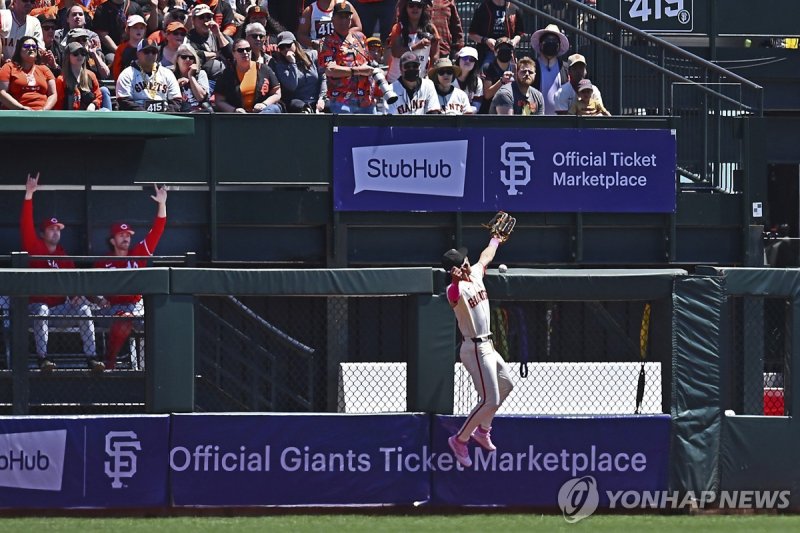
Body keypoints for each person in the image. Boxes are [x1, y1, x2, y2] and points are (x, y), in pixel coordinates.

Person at [441, 239, 514, 468]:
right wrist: (454, 279)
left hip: (488, 345)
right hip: (474, 349)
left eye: (465, 260)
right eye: (463, 262)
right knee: (489, 399)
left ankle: (483, 431)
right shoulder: (456, 288)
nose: (467, 263)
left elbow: (486, 257)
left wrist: (495, 240)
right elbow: (452, 296)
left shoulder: (474, 274)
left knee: (507, 385)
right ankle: (460, 439)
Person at [21, 172, 101, 373]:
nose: (56, 232)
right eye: (51, 229)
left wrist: (77, 297)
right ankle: (43, 359)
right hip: (34, 308)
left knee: (84, 310)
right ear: (43, 233)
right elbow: (25, 225)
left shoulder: (64, 256)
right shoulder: (35, 247)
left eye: (58, 229)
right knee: (42, 310)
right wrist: (29, 195)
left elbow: (73, 283)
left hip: (59, 309)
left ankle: (91, 358)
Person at [94, 185, 168, 370]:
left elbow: (157, 231)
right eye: (121, 235)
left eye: (128, 235)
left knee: (160, 320)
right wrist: (98, 298)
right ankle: (110, 361)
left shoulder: (138, 254)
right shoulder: (102, 262)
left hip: (136, 307)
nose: (126, 238)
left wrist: (162, 204)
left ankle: (160, 367)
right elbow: (90, 288)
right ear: (113, 240)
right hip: (110, 309)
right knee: (123, 318)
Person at [318, 1, 376, 114]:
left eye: (347, 17)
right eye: (340, 17)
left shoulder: (360, 38)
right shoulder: (326, 42)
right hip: (342, 100)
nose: (344, 21)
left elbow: (370, 62)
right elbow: (330, 70)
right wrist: (357, 71)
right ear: (333, 19)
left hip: (366, 99)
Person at [215, 37, 282, 112]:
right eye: (240, 50)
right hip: (239, 117)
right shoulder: (226, 74)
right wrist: (234, 110)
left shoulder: (264, 69)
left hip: (263, 112)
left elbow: (277, 93)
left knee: (273, 108)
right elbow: (219, 101)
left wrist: (264, 104)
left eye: (248, 49)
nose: (245, 52)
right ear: (234, 54)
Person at [116, 38, 182, 111]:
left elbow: (176, 100)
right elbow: (124, 101)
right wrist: (146, 115)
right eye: (146, 52)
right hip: (137, 118)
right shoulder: (127, 74)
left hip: (164, 116)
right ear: (138, 53)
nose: (150, 55)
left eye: (153, 52)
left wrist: (165, 115)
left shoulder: (167, 73)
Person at [270, 30, 326, 113]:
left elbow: (323, 77)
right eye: (282, 47)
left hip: (317, 100)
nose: (286, 49)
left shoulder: (313, 55)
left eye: (288, 45)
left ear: (295, 44)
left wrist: (322, 98)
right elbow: (292, 86)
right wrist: (292, 63)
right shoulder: (280, 65)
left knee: (330, 107)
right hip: (297, 102)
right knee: (298, 106)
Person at [387, 0, 438, 83]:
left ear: (423, 8)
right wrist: (416, 47)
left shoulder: (431, 28)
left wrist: (430, 73)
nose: (415, 8)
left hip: (419, 80)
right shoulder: (398, 27)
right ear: (406, 8)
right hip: (396, 80)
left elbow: (435, 56)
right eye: (411, 5)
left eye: (419, 6)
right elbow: (395, 52)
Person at [0, 36, 57, 110]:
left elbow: (53, 94)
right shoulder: (8, 67)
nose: (31, 48)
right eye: (27, 46)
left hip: (42, 114)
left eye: (34, 46)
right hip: (16, 113)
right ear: (19, 50)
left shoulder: (44, 69)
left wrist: (44, 110)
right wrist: (22, 108)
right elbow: (2, 92)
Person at [187, 3, 233, 87]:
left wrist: (218, 34)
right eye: (201, 17)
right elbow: (194, 56)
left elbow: (230, 54)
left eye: (208, 17)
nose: (205, 20)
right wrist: (215, 54)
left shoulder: (217, 34)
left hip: (225, 79)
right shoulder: (189, 37)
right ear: (193, 21)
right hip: (203, 81)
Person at [467, 0, 524, 68]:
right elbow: (472, 34)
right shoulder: (482, 8)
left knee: (510, 76)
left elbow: (520, 33)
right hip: (487, 51)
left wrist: (513, 41)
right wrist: (486, 40)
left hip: (508, 52)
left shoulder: (514, 9)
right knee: (486, 75)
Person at [530, 23, 569, 115]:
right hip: (536, 121)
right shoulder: (531, 67)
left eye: (554, 41)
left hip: (561, 123)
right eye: (547, 40)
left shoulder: (566, 68)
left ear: (559, 46)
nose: (550, 43)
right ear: (540, 44)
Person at [385, 51, 439, 115]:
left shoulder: (428, 85)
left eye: (415, 66)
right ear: (400, 69)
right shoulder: (390, 90)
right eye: (407, 66)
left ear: (419, 67)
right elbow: (389, 120)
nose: (411, 69)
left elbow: (433, 113)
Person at [55, 41, 103, 110]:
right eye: (75, 53)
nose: (80, 56)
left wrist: (94, 104)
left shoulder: (91, 75)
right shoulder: (61, 80)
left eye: (83, 53)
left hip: (89, 116)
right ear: (68, 56)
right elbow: (58, 106)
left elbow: (98, 96)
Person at [477, 35, 514, 114]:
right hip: (489, 112)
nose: (504, 51)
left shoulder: (515, 68)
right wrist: (502, 81)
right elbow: (487, 95)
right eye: (501, 49)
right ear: (495, 52)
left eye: (507, 49)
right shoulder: (488, 68)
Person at [171, 43, 210, 111]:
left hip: (198, 113)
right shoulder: (170, 74)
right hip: (178, 113)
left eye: (191, 57)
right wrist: (176, 86)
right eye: (184, 57)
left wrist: (191, 77)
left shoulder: (201, 74)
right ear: (177, 59)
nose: (188, 59)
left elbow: (201, 97)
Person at [111, 14, 149, 80]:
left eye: (141, 28)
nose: (139, 30)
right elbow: (116, 71)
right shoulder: (121, 48)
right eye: (135, 27)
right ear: (128, 30)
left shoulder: (148, 46)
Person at [453, 45, 481, 113]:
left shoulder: (477, 81)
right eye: (465, 58)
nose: (468, 61)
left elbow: (476, 105)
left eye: (472, 59)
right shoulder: (450, 77)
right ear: (458, 60)